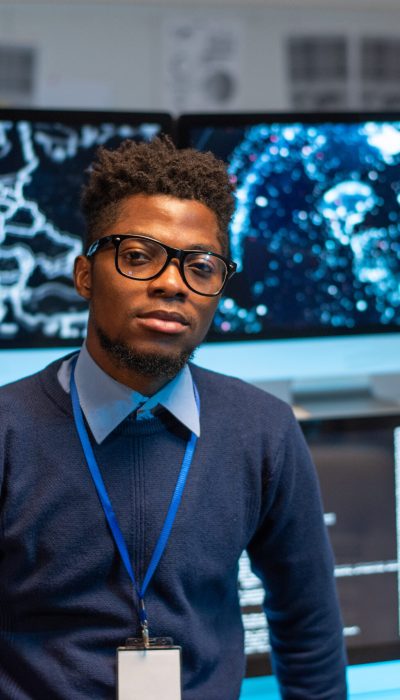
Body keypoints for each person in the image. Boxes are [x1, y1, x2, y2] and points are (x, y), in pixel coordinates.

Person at [0, 137, 347, 699]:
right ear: (85, 275)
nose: (171, 283)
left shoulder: (264, 431)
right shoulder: (8, 432)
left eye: (200, 266)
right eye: (138, 256)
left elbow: (308, 626)